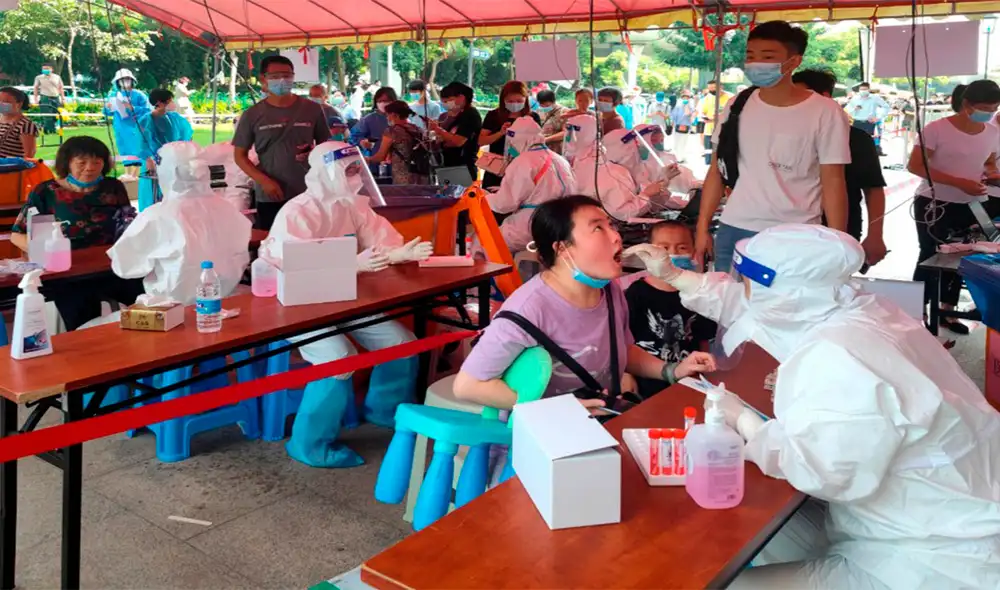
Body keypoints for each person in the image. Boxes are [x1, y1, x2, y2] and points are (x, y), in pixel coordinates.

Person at [626, 223, 1000, 590]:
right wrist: (676, 276)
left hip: (932, 562)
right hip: (919, 519)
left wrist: (745, 424)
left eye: (750, 281)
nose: (743, 289)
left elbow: (822, 472)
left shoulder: (842, 357)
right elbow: (751, 301)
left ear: (784, 292)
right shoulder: (856, 305)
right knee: (755, 535)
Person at [454, 195, 716, 410]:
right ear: (563, 249)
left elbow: (620, 350)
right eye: (598, 228)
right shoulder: (529, 310)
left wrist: (672, 370)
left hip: (601, 417)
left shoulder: (610, 291)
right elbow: (468, 385)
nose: (616, 237)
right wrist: (560, 409)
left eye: (611, 226)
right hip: (542, 436)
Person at [261, 141, 432, 468]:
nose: (356, 175)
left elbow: (380, 240)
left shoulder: (351, 204)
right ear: (326, 172)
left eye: (358, 168)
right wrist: (353, 264)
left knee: (402, 344)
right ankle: (308, 443)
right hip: (300, 301)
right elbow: (291, 261)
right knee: (339, 359)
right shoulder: (298, 212)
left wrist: (398, 254)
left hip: (342, 295)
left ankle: (384, 410)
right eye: (349, 169)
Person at [695, 21, 850, 272]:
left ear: (793, 62)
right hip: (735, 229)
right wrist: (702, 228)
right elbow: (716, 171)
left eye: (767, 57)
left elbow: (833, 181)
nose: (756, 63)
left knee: (787, 306)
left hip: (796, 233)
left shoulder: (825, 112)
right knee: (731, 306)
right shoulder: (737, 105)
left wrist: (837, 240)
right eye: (751, 56)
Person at [10, 137, 142, 330]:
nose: (90, 168)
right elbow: (17, 234)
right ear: (67, 163)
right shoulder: (46, 192)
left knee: (148, 302)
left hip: (112, 266)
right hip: (68, 272)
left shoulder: (113, 187)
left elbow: (127, 223)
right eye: (82, 162)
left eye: (97, 162)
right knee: (83, 317)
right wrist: (43, 250)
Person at [106, 142, 251, 314]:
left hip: (172, 309)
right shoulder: (227, 209)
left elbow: (126, 267)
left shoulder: (158, 215)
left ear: (166, 173)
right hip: (226, 299)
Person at [907, 80, 1000, 335]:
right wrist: (958, 182)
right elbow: (915, 166)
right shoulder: (936, 129)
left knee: (962, 256)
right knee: (930, 255)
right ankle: (917, 311)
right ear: (967, 104)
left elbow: (989, 162)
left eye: (994, 108)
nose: (989, 113)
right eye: (984, 107)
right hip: (934, 203)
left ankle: (947, 309)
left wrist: (990, 175)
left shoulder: (991, 132)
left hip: (972, 203)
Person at [793, 70, 887, 266]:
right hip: (790, 228)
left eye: (803, 95)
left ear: (825, 98)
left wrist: (875, 235)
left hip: (841, 228)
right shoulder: (784, 135)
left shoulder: (856, 139)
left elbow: (873, 189)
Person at [233, 55, 331, 231]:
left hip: (308, 191)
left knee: (309, 239)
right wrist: (263, 181)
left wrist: (313, 154)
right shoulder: (252, 115)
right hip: (271, 193)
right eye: (276, 76)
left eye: (287, 75)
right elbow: (239, 156)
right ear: (263, 78)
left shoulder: (312, 109)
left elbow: (326, 147)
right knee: (272, 244)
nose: (283, 80)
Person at [624, 221, 715, 399]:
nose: (671, 254)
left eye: (682, 247)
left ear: (693, 252)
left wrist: (705, 372)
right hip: (645, 380)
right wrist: (625, 375)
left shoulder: (698, 294)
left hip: (689, 379)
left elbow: (704, 339)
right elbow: (623, 342)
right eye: (663, 248)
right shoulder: (636, 294)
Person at [489, 117, 577, 253]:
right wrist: (504, 189)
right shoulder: (559, 159)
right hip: (561, 225)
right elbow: (543, 188)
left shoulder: (523, 161)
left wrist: (485, 197)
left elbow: (504, 204)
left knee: (483, 244)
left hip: (531, 225)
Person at [136, 88, 194, 211]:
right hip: (155, 160)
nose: (173, 104)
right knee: (154, 193)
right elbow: (142, 143)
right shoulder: (146, 120)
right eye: (169, 101)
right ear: (159, 103)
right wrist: (149, 160)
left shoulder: (174, 118)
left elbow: (187, 135)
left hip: (174, 160)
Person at [479, 81, 541, 189]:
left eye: (519, 101)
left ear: (526, 99)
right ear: (503, 100)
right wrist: (500, 133)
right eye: (510, 101)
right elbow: (481, 141)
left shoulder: (533, 117)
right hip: (497, 169)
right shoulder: (493, 116)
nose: (515, 104)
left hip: (523, 169)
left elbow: (538, 144)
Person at [365, 101, 429, 185]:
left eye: (388, 115)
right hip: (422, 176)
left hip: (403, 177)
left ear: (395, 115)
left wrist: (367, 159)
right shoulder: (417, 129)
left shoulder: (391, 131)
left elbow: (380, 157)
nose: (387, 118)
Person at [428, 82, 482, 179]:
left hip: (462, 167)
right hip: (448, 164)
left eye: (449, 100)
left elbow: (458, 141)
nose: (446, 104)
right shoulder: (448, 116)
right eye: (443, 101)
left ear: (461, 98)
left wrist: (438, 130)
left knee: (460, 193)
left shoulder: (470, 115)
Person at [103, 69, 151, 160]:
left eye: (127, 79)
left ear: (132, 80)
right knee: (124, 152)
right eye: (122, 79)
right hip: (120, 128)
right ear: (117, 82)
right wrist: (107, 107)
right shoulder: (113, 95)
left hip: (136, 127)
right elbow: (107, 112)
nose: (125, 81)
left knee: (138, 152)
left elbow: (147, 111)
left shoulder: (139, 95)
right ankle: (128, 173)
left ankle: (141, 172)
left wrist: (132, 108)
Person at [351, 86, 397, 174]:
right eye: (380, 101)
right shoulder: (368, 120)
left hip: (398, 165)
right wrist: (362, 142)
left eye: (386, 101)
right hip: (375, 164)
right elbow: (354, 136)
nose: (383, 103)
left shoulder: (400, 118)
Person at [698, 80, 731, 165]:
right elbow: (703, 111)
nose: (711, 90)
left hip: (723, 130)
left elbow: (731, 114)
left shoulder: (730, 98)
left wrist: (717, 117)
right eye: (709, 88)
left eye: (713, 88)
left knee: (721, 156)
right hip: (709, 130)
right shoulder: (708, 97)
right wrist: (704, 117)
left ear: (721, 87)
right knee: (708, 154)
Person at [0, 87, 38, 159]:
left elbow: (30, 154)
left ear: (19, 104)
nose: (1, 104)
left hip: (10, 168)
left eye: (6, 101)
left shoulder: (25, 125)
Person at [32, 64, 63, 135]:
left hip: (55, 96)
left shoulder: (57, 77)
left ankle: (46, 127)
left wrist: (62, 98)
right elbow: (36, 88)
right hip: (45, 96)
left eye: (47, 68)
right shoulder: (39, 77)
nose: (45, 70)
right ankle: (51, 130)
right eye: (44, 69)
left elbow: (61, 87)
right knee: (47, 114)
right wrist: (35, 99)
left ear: (51, 69)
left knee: (56, 114)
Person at [536, 89, 570, 154]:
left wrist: (547, 139)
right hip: (542, 149)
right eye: (541, 105)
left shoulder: (564, 112)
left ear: (554, 101)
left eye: (546, 105)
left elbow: (566, 133)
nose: (544, 107)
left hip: (557, 150)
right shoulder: (539, 111)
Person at [670, 90, 696, 162]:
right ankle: (676, 156)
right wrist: (673, 123)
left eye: (687, 95)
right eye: (683, 95)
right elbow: (674, 114)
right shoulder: (678, 102)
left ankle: (680, 158)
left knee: (683, 142)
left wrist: (686, 104)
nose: (685, 97)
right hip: (677, 125)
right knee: (676, 142)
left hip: (686, 125)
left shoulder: (691, 103)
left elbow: (688, 113)